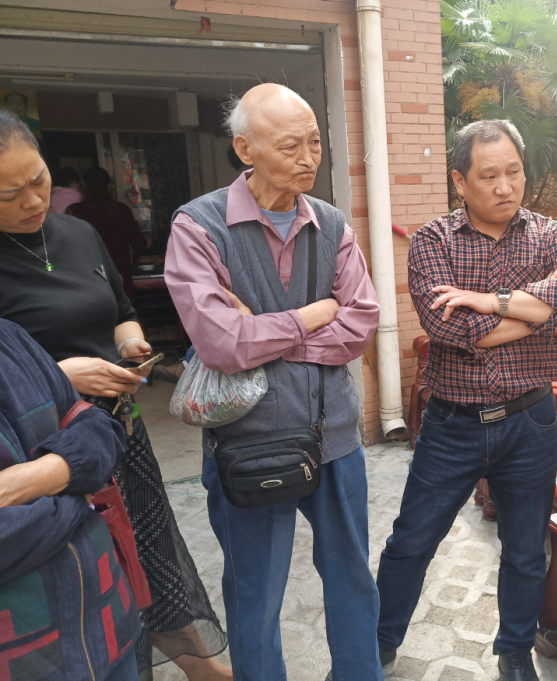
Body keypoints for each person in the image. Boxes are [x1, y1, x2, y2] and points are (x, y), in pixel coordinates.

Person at [0, 109, 230, 681]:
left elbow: (121, 311)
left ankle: (189, 660)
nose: (32, 200)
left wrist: (130, 343)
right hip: (42, 450)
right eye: (9, 194)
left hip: (117, 428)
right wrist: (62, 375)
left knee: (147, 549)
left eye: (38, 180)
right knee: (85, 563)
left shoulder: (78, 234)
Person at [164, 83, 381, 681]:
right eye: (290, 146)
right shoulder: (198, 226)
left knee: (352, 579)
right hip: (248, 445)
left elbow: (360, 324)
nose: (309, 158)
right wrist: (311, 315)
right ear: (245, 149)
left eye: (314, 142)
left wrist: (260, 331)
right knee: (255, 594)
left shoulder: (332, 224)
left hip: (335, 437)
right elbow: (220, 344)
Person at [375, 119, 557, 681]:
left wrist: (488, 300)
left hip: (531, 421)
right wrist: (536, 315)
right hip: (453, 426)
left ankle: (513, 652)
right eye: (489, 175)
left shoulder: (549, 234)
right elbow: (447, 328)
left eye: (513, 172)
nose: (505, 186)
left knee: (525, 549)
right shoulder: (433, 240)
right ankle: (377, 644)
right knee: (411, 542)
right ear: (460, 181)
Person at [0, 318, 141, 681]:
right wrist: (81, 493)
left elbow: (103, 430)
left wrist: (41, 477)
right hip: (24, 658)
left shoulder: (11, 337)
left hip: (109, 626)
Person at [68, 167, 149, 300]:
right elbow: (140, 243)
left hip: (88, 282)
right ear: (109, 186)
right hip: (120, 281)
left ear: (84, 185)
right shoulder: (122, 211)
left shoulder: (75, 212)